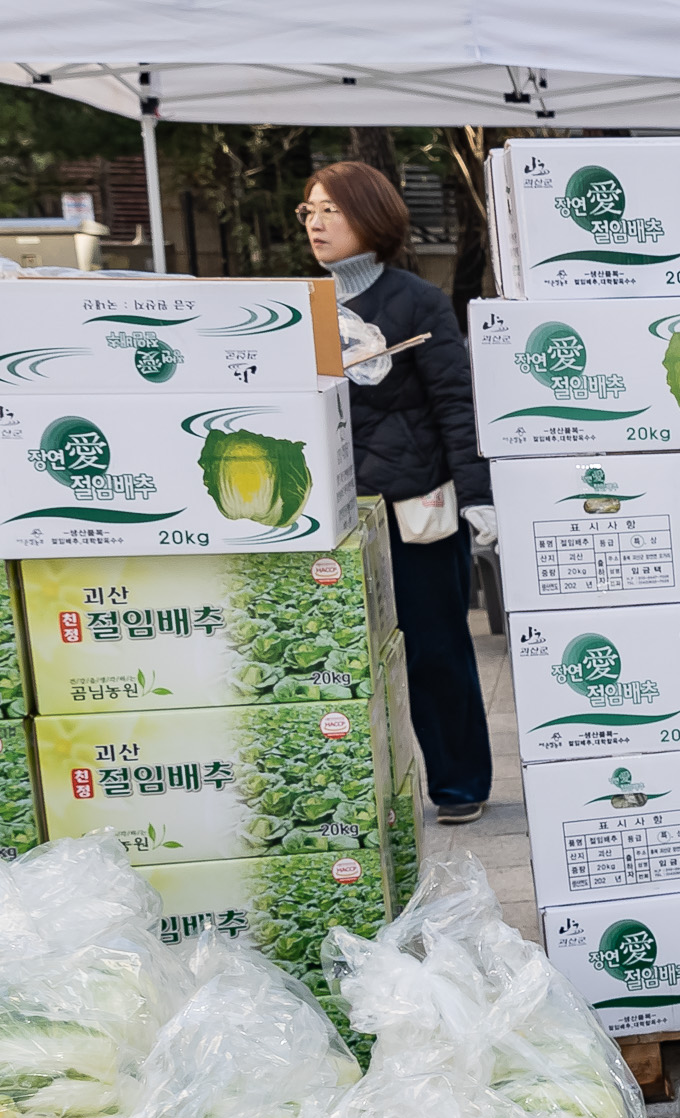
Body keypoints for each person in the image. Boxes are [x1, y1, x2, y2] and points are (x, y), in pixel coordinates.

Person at [299, 160, 495, 825]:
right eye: (309, 211)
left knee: (437, 646)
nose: (317, 223)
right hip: (332, 513)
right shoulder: (295, 304)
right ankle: (358, 795)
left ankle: (459, 783)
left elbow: (455, 404)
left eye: (333, 210)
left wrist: (477, 496)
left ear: (372, 216)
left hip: (417, 507)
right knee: (335, 657)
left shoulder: (415, 301)